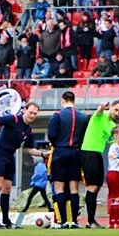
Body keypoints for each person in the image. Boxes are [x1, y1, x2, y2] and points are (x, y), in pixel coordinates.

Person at [0, 102, 47, 229]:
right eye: (30, 112)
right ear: (24, 110)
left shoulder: (29, 130)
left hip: (10, 156)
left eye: (35, 114)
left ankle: (6, 221)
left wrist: (43, 153)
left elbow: (29, 149)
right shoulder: (13, 119)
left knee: (7, 188)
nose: (32, 116)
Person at [80, 99, 119, 228]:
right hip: (88, 152)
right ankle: (90, 221)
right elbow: (99, 111)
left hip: (97, 154)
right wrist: (101, 106)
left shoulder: (111, 126)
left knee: (97, 187)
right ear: (110, 107)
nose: (117, 113)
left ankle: (91, 220)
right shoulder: (100, 116)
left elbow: (113, 142)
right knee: (92, 186)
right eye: (116, 110)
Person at [46, 90, 87, 228]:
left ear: (63, 100)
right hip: (75, 153)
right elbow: (84, 137)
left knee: (59, 188)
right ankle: (74, 221)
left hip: (60, 152)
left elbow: (51, 134)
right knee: (74, 188)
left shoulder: (57, 115)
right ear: (74, 100)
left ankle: (63, 221)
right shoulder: (82, 116)